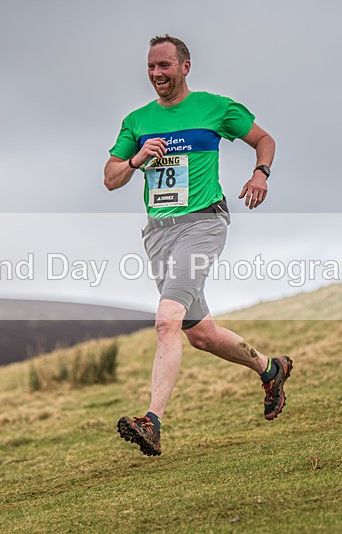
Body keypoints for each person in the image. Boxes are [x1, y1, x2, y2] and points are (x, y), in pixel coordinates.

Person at [104, 35, 292, 456]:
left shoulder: (216, 108)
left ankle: (151, 422)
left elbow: (265, 139)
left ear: (185, 67)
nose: (157, 74)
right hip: (158, 232)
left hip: (203, 223)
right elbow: (110, 177)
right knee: (199, 333)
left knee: (167, 321)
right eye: (151, 67)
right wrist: (136, 160)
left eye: (165, 66)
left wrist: (260, 174)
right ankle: (271, 368)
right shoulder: (136, 121)